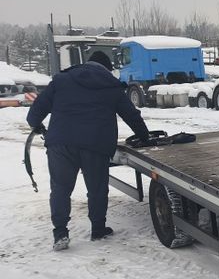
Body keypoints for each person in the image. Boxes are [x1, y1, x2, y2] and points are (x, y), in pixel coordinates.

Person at [27, 53, 150, 251]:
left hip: (61, 144)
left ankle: (60, 233)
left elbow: (35, 113)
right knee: (97, 189)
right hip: (96, 144)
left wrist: (39, 126)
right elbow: (131, 115)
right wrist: (144, 136)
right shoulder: (110, 85)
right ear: (106, 68)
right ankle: (98, 229)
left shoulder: (61, 80)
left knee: (60, 189)